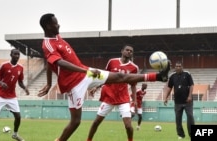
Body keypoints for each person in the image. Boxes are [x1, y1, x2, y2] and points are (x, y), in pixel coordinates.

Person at [38, 13, 170, 141]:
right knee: (76, 121)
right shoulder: (48, 44)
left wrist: (50, 83)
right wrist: (81, 72)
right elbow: (58, 62)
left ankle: (159, 76)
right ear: (48, 26)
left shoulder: (57, 37)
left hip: (86, 72)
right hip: (74, 84)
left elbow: (51, 62)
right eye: (56, 23)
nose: (59, 25)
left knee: (120, 76)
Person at [87, 45, 138, 141]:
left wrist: (134, 100)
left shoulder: (134, 68)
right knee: (96, 122)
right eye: (127, 50)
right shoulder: (112, 62)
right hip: (109, 97)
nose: (129, 52)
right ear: (122, 51)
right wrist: (96, 87)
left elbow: (133, 84)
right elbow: (104, 76)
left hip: (123, 98)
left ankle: (130, 140)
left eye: (131, 51)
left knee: (128, 126)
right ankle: (89, 139)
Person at [0, 49, 30, 141]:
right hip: (0, 95)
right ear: (11, 55)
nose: (17, 56)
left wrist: (25, 88)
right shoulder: (4, 65)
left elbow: (20, 81)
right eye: (15, 54)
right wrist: (1, 83)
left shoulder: (20, 68)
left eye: (18, 55)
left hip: (12, 96)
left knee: (18, 116)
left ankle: (15, 134)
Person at [163, 61, 195, 140]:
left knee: (190, 117)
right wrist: (166, 97)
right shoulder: (172, 76)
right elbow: (169, 87)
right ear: (175, 67)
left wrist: (190, 96)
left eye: (179, 66)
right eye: (176, 66)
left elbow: (191, 85)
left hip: (188, 101)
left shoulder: (187, 74)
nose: (178, 67)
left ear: (182, 67)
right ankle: (181, 135)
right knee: (178, 119)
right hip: (177, 102)